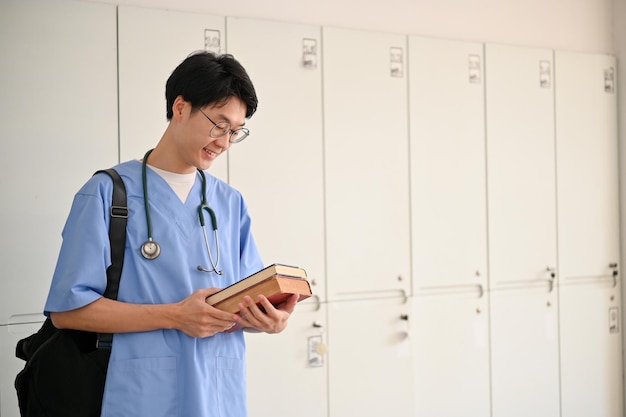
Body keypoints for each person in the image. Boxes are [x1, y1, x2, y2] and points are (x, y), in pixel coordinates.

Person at [44, 51, 299, 417]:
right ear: (180, 107)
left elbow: (241, 303)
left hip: (217, 396)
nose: (225, 142)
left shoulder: (229, 203)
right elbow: (68, 312)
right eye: (218, 125)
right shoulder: (106, 193)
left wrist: (270, 321)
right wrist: (175, 316)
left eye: (235, 131)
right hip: (140, 394)